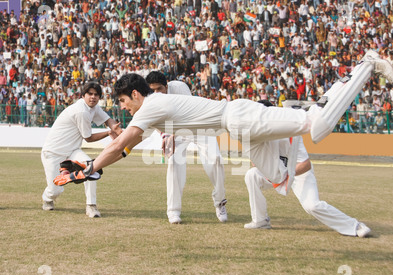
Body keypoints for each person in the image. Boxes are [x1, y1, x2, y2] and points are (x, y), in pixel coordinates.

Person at [55, 51, 393, 201]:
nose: (124, 109)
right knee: (279, 179)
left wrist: (89, 169)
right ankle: (294, 137)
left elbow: (118, 145)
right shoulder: (153, 110)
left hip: (239, 116)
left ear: (133, 94)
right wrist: (95, 166)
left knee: (318, 128)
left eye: (124, 102)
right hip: (240, 130)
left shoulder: (150, 106)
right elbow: (125, 148)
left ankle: (368, 64)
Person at [243, 135, 371, 238]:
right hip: (277, 172)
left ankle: (355, 226)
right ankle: (260, 221)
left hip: (299, 172)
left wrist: (284, 176)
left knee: (312, 206)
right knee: (252, 175)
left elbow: (306, 165)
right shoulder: (256, 137)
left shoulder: (291, 135)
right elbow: (256, 164)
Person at [145, 71, 227, 224]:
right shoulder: (149, 99)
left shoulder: (180, 87)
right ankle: (173, 211)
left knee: (216, 159)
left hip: (199, 124)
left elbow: (188, 115)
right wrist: (165, 136)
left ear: (167, 85)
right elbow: (154, 121)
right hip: (176, 131)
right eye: (153, 90)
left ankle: (220, 201)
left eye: (159, 89)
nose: (157, 93)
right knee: (174, 162)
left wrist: (171, 135)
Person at [41, 82, 122, 217]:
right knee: (56, 190)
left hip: (72, 151)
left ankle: (91, 206)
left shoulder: (94, 108)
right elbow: (88, 138)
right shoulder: (81, 111)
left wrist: (121, 133)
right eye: (90, 94)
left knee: (92, 167)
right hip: (53, 153)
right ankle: (47, 199)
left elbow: (109, 121)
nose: (93, 97)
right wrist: (108, 133)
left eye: (96, 95)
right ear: (83, 95)